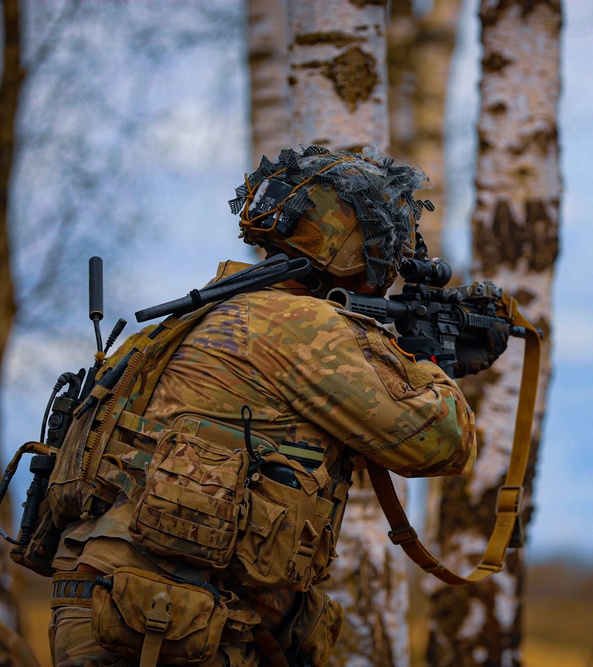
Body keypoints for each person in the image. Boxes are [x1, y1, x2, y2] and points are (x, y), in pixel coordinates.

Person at [46, 146, 496, 666]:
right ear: (352, 245)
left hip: (119, 601)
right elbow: (443, 442)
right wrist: (425, 360)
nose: (391, 265)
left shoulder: (209, 308)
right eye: (381, 242)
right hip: (162, 617)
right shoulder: (306, 328)